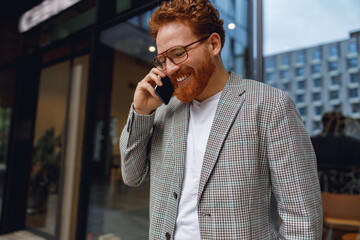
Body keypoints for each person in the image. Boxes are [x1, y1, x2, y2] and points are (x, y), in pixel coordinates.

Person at [120, 0, 323, 239]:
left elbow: (302, 218)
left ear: (213, 44)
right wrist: (141, 112)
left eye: (178, 53)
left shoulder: (270, 106)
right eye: (163, 59)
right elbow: (132, 176)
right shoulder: (164, 110)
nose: (170, 68)